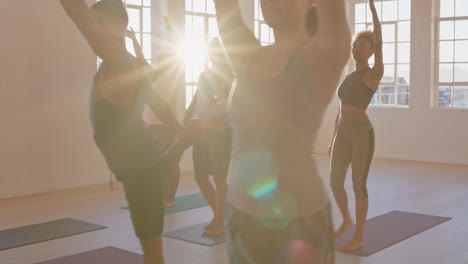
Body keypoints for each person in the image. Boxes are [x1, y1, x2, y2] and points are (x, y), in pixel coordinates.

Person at [213, 0, 350, 263]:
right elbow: (225, 9)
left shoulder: (323, 54)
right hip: (240, 216)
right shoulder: (248, 57)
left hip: (298, 224)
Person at [59, 1, 189, 263]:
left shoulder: (119, 62)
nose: (93, 30)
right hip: (141, 167)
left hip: (143, 169)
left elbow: (77, 13)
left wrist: (183, 135)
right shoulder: (126, 62)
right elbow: (157, 103)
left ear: (116, 26)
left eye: (98, 23)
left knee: (152, 253)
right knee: (151, 248)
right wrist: (183, 132)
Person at [329, 0, 384, 251]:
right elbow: (339, 109)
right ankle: (346, 220)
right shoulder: (350, 76)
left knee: (358, 184)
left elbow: (380, 42)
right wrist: (332, 139)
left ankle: (358, 236)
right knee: (335, 182)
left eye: (361, 46)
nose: (356, 48)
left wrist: (372, 11)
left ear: (371, 51)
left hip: (362, 134)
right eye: (355, 45)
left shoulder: (373, 74)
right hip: (342, 134)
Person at [127, 18, 184, 208]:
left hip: (167, 124)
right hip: (150, 122)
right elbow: (140, 57)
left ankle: (170, 197)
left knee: (170, 160)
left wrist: (171, 29)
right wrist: (133, 39)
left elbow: (177, 51)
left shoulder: (174, 73)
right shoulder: (151, 74)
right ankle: (160, 195)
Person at [184, 37, 233, 237]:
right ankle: (220, 216)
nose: (213, 54)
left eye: (217, 50)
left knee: (220, 179)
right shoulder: (205, 75)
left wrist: (216, 116)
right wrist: (186, 119)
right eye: (211, 50)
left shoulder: (230, 76)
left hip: (220, 132)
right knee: (200, 176)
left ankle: (220, 222)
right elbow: (197, 100)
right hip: (203, 131)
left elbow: (230, 103)